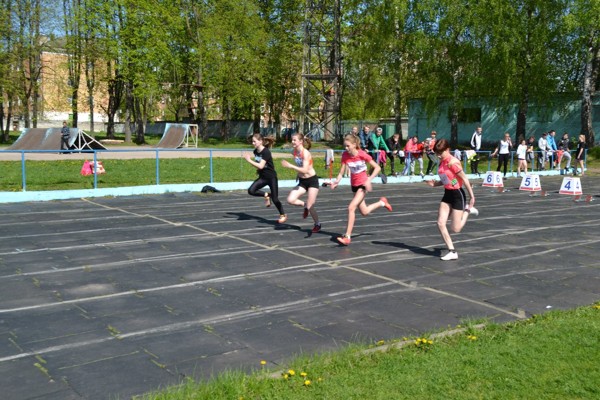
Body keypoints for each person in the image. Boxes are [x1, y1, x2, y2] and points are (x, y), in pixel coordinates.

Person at [330, 133, 393, 246]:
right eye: (345, 146)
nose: (346, 148)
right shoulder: (345, 155)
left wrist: (369, 180)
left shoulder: (362, 154)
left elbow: (377, 167)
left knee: (351, 208)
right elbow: (341, 172)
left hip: (363, 185)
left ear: (354, 145)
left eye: (348, 146)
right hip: (354, 186)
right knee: (364, 212)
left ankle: (347, 236)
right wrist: (336, 181)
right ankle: (382, 203)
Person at [425, 138, 478, 261]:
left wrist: (472, 197)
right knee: (440, 223)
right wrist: (435, 184)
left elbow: (465, 179)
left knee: (456, 229)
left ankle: (468, 210)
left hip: (458, 194)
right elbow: (446, 180)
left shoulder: (453, 162)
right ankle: (452, 251)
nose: (438, 155)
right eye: (437, 153)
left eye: (440, 153)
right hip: (447, 194)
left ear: (447, 150)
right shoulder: (442, 162)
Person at [281, 132, 321, 233]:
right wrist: (297, 174)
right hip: (302, 181)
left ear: (301, 141)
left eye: (294, 140)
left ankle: (317, 224)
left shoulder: (305, 153)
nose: (292, 142)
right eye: (292, 140)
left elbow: (305, 170)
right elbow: (301, 166)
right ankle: (305, 205)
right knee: (290, 199)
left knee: (310, 206)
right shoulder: (294, 151)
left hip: (312, 181)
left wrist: (290, 166)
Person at [244, 134, 287, 223]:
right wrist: (256, 168)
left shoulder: (266, 152)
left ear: (260, 141)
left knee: (275, 199)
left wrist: (249, 160)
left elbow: (261, 165)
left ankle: (283, 215)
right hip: (263, 177)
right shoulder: (255, 151)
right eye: (252, 141)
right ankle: (266, 195)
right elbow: (258, 165)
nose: (253, 143)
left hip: (271, 178)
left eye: (254, 141)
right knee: (251, 190)